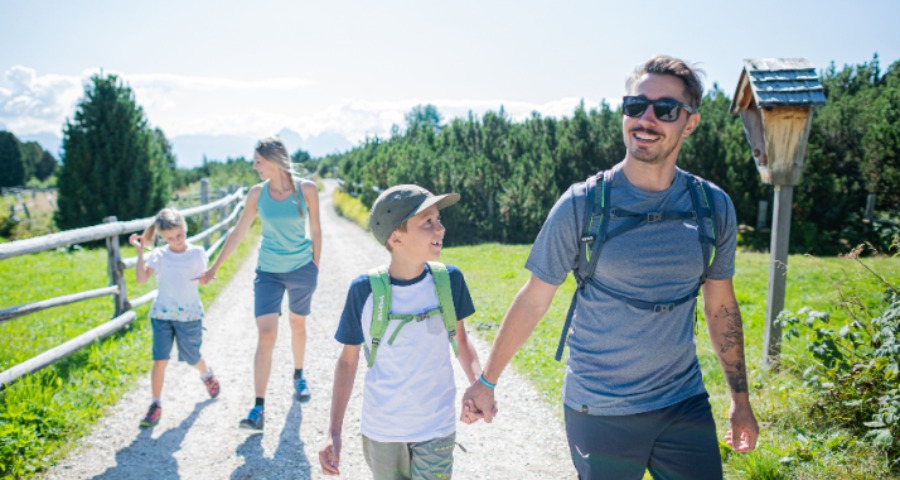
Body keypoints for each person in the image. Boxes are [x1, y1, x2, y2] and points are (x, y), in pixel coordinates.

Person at [462, 55, 760, 479]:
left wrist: (740, 400)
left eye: (665, 109)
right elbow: (533, 299)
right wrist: (487, 382)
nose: (646, 119)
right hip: (599, 407)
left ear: (689, 123)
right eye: (636, 106)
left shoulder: (713, 206)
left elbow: (721, 308)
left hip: (682, 401)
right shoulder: (582, 205)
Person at [318, 185, 484, 479]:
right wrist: (334, 431)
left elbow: (461, 340)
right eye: (428, 222)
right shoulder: (364, 290)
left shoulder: (449, 281)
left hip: (436, 427)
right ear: (396, 237)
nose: (441, 229)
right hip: (383, 430)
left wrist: (478, 385)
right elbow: (347, 361)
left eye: (438, 219)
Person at [199, 136, 322, 431]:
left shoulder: (306, 190)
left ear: (274, 160)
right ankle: (258, 407)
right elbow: (238, 233)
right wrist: (215, 267)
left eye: (258, 161)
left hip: (301, 269)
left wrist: (315, 267)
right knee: (266, 334)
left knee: (297, 324)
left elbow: (316, 230)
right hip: (268, 272)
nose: (254, 167)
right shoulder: (257, 194)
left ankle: (299, 373)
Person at [130, 208, 220, 428]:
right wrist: (141, 251)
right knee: (160, 359)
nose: (176, 241)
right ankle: (155, 403)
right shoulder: (159, 255)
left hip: (189, 315)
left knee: (191, 357)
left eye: (179, 235)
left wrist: (207, 278)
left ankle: (206, 374)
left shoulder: (197, 253)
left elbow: (204, 280)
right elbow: (142, 280)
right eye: (170, 238)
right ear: (162, 237)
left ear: (185, 229)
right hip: (162, 315)